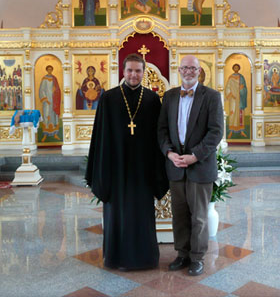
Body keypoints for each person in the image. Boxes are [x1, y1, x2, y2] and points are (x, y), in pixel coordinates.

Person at [85, 53, 168, 271]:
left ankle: (145, 259)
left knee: (142, 214)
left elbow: (158, 136)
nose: (133, 74)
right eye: (130, 70)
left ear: (144, 72)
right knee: (117, 214)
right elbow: (100, 137)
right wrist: (101, 171)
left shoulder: (151, 99)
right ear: (123, 71)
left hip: (142, 169)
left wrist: (159, 170)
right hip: (116, 168)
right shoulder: (109, 98)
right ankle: (116, 258)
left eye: (138, 71)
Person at [158, 55, 224, 276]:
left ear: (199, 71)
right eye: (184, 67)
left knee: (198, 216)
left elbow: (216, 132)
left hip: (200, 165)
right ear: (179, 70)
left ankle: (197, 258)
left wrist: (194, 156)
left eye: (192, 68)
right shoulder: (169, 96)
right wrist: (169, 153)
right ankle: (182, 254)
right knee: (179, 213)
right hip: (176, 165)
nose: (188, 71)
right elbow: (162, 130)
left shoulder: (212, 96)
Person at [39, 65, 61, 142]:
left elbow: (58, 89)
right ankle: (45, 135)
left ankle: (55, 134)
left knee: (54, 116)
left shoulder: (54, 78)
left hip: (54, 101)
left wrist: (56, 91)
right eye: (48, 69)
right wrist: (45, 99)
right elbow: (41, 90)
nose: (49, 71)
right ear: (46, 70)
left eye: (51, 69)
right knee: (46, 116)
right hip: (47, 101)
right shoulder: (44, 79)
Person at [225, 63, 247, 139]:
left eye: (237, 67)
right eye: (235, 67)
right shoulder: (230, 78)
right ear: (233, 68)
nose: (236, 68)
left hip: (240, 99)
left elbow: (244, 88)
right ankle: (231, 131)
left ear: (239, 68)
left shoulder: (242, 77)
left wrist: (242, 89)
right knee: (232, 113)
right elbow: (227, 87)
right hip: (233, 99)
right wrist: (231, 94)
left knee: (240, 114)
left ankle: (241, 131)